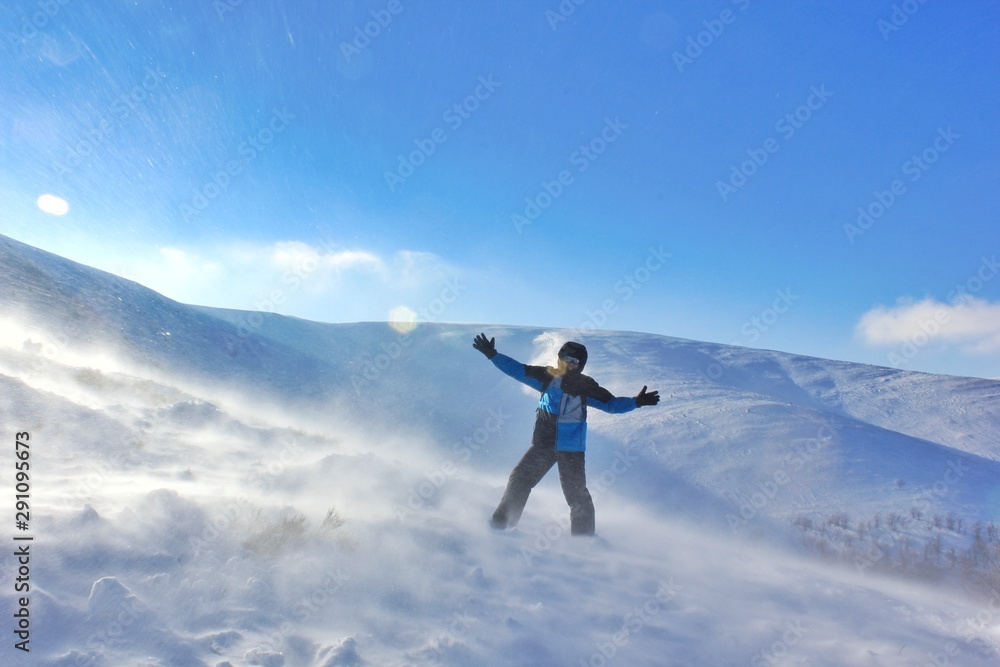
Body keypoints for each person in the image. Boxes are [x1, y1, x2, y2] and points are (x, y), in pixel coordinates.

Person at [473, 333, 660, 536]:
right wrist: (493, 355)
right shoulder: (547, 376)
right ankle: (502, 526)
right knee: (520, 479)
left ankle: (584, 540)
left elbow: (611, 405)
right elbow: (517, 370)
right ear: (560, 359)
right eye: (567, 359)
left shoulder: (586, 386)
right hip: (543, 444)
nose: (571, 364)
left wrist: (636, 402)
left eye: (576, 362)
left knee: (576, 496)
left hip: (570, 449)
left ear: (581, 365)